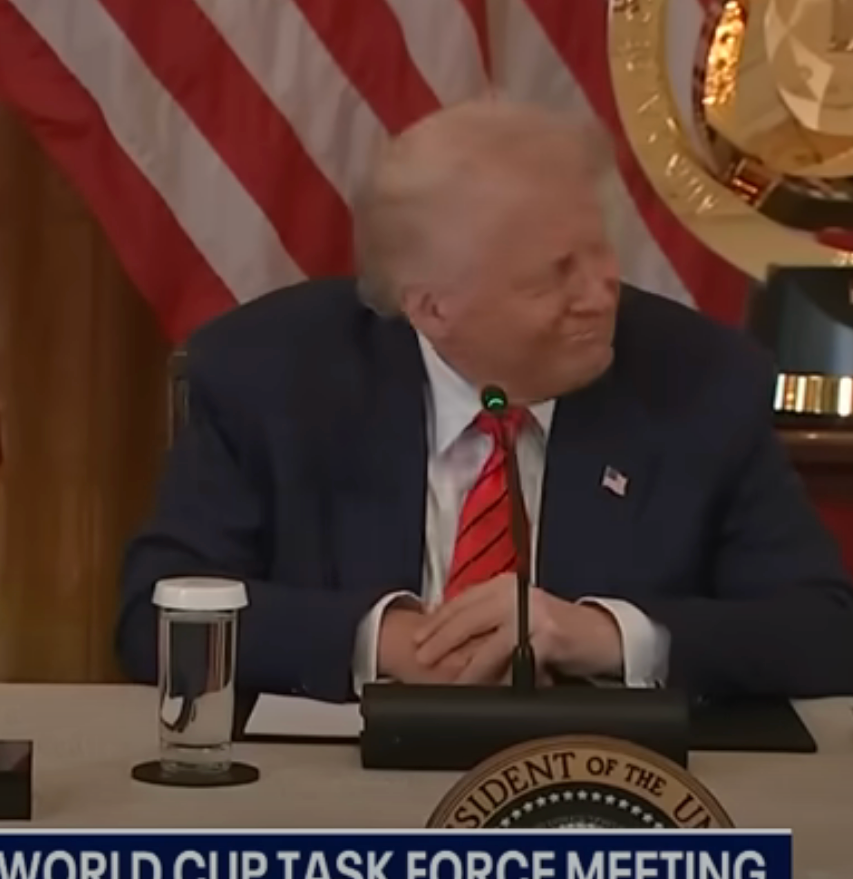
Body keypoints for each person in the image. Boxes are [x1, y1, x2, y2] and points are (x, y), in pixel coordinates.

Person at [116, 98, 853, 703]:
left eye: (599, 254)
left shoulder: (700, 381)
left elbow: (824, 633)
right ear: (433, 309)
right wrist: (384, 640)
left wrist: (605, 635)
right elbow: (154, 614)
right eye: (552, 278)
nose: (600, 297)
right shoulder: (272, 378)